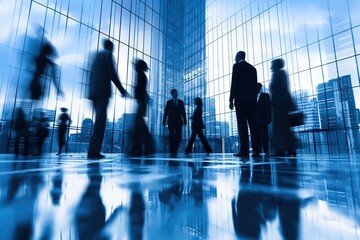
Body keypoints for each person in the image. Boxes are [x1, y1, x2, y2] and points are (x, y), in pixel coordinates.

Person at [87, 39, 129, 159]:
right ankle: (94, 151)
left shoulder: (97, 56)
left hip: (94, 92)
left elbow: (92, 75)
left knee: (99, 120)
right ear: (110, 47)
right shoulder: (107, 55)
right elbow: (113, 74)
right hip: (102, 92)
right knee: (100, 122)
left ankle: (93, 150)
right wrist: (122, 90)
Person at [229, 51, 261, 158]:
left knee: (242, 126)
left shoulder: (236, 66)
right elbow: (255, 86)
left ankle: (244, 151)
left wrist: (231, 100)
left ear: (238, 57)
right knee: (253, 126)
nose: (234, 59)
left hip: (241, 101)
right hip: (252, 102)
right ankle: (256, 151)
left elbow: (234, 83)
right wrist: (254, 99)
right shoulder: (253, 69)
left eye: (235, 57)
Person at [269, 59, 296, 156]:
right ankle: (284, 149)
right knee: (281, 127)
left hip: (281, 104)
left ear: (277, 65)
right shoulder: (277, 74)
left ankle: (286, 149)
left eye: (272, 64)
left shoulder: (280, 74)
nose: (270, 67)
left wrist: (290, 103)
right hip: (278, 104)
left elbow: (284, 88)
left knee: (282, 127)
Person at [129, 59, 154, 156]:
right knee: (140, 126)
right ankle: (144, 148)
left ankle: (142, 148)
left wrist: (140, 99)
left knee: (139, 126)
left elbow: (140, 90)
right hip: (142, 102)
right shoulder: (141, 75)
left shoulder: (141, 75)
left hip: (141, 102)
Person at [162, 89, 187, 156]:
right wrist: (164, 121)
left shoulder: (181, 102)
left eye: (176, 93)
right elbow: (166, 112)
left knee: (179, 136)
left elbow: (183, 112)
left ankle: (175, 149)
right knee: (171, 136)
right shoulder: (168, 102)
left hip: (179, 121)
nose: (176, 94)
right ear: (172, 94)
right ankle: (172, 150)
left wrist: (185, 120)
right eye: (175, 93)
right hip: (171, 121)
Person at [256, 83, 272, 156]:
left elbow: (269, 108)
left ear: (260, 88)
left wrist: (269, 118)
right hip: (255, 120)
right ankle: (258, 150)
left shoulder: (266, 96)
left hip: (263, 119)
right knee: (257, 136)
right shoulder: (252, 97)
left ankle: (266, 150)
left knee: (265, 135)